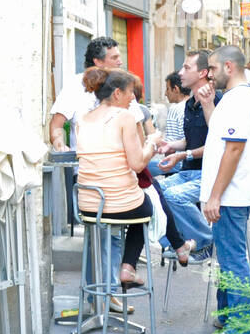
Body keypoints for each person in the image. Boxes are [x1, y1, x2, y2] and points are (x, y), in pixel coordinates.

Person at [76, 69, 195, 288]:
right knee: (149, 205)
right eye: (131, 92)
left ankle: (141, 262)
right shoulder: (124, 117)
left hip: (88, 206)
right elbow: (138, 163)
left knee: (149, 192)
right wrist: (152, 141)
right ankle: (128, 267)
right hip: (118, 204)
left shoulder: (83, 119)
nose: (133, 97)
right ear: (117, 93)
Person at [199, 45, 250, 334]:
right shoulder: (238, 98)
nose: (209, 75)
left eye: (212, 69)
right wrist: (206, 104)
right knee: (230, 257)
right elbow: (222, 135)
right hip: (234, 191)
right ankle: (231, 318)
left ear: (229, 66)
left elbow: (234, 148)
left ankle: (241, 331)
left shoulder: (239, 98)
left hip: (232, 193)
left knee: (232, 259)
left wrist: (215, 196)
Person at [152, 50, 220, 260]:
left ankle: (205, 242)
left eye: (186, 68)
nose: (180, 72)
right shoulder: (190, 104)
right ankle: (177, 241)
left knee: (173, 196)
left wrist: (182, 156)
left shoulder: (215, 101)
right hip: (188, 172)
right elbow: (190, 141)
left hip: (208, 175)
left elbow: (216, 144)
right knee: (153, 192)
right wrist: (170, 146)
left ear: (203, 73)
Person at [47, 36, 143, 150]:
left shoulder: (124, 84)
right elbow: (56, 124)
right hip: (83, 164)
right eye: (114, 58)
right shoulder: (75, 85)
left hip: (121, 165)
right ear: (97, 61)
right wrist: (61, 146)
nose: (120, 62)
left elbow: (138, 130)